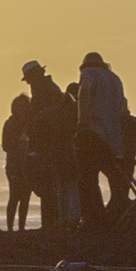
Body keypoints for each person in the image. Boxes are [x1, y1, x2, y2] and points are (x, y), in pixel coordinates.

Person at [20, 61, 83, 233]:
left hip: (52, 144)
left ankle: (56, 222)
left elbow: (42, 119)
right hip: (55, 143)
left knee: (52, 184)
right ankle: (58, 221)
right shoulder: (50, 89)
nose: (29, 83)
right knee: (56, 183)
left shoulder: (43, 91)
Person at [72, 51, 130, 230]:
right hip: (112, 137)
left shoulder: (89, 73)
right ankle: (116, 213)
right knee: (113, 176)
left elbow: (85, 93)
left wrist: (82, 122)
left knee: (87, 177)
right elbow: (123, 105)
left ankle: (93, 218)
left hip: (92, 131)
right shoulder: (115, 78)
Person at [0, 86, 36, 234]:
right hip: (14, 164)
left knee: (25, 196)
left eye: (24, 107)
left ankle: (21, 227)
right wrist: (18, 144)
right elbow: (5, 145)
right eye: (19, 107)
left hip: (27, 164)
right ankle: (9, 228)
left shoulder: (31, 123)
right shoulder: (10, 123)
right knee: (14, 195)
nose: (21, 110)